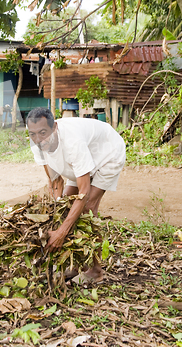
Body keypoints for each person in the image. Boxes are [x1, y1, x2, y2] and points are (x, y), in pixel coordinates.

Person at [27, 107, 126, 280]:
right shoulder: (37, 143)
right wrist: (59, 213)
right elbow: (55, 180)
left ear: (55, 127)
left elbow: (84, 193)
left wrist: (62, 232)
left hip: (107, 154)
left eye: (43, 133)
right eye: (33, 134)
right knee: (66, 209)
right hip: (78, 163)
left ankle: (95, 271)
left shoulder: (73, 143)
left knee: (86, 211)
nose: (38, 139)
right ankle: (74, 265)